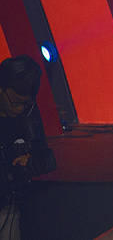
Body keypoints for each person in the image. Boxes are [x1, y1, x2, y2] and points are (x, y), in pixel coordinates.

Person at [0, 56, 56, 240]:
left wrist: (30, 161)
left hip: (9, 205)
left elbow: (47, 158)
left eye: (26, 104)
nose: (20, 109)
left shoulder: (28, 114)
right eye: (16, 103)